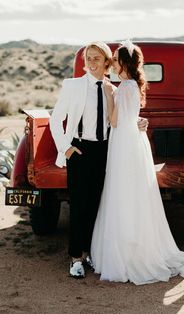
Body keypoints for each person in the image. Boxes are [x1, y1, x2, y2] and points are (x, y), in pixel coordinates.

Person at [91, 40, 184, 285]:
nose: (112, 65)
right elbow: (132, 116)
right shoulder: (132, 85)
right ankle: (134, 242)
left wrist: (109, 95)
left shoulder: (122, 88)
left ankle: (128, 250)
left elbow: (115, 121)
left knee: (122, 189)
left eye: (115, 61)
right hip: (133, 139)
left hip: (124, 140)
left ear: (122, 63)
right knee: (132, 191)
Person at [50, 41, 148, 279]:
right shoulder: (72, 86)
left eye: (97, 58)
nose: (91, 62)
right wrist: (67, 148)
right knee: (80, 206)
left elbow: (122, 117)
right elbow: (56, 119)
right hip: (80, 150)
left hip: (107, 150)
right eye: (88, 58)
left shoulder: (114, 88)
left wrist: (139, 122)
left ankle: (91, 252)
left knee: (98, 205)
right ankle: (75, 258)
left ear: (107, 63)